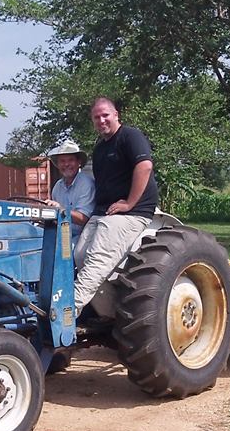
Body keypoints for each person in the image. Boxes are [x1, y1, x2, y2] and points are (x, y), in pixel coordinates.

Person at [73, 97, 158, 317]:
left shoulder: (130, 136)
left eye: (105, 115)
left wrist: (129, 203)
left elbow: (145, 166)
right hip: (104, 212)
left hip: (132, 212)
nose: (101, 120)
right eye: (96, 117)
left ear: (116, 115)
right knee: (79, 256)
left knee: (96, 259)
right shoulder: (100, 148)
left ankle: (67, 311)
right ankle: (111, 313)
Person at [45, 140, 95, 252]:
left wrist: (61, 209)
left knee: (63, 251)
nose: (66, 164)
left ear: (79, 162)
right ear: (58, 164)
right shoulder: (57, 187)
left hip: (84, 235)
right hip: (63, 234)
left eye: (70, 160)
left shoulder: (86, 184)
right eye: (62, 161)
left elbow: (83, 219)